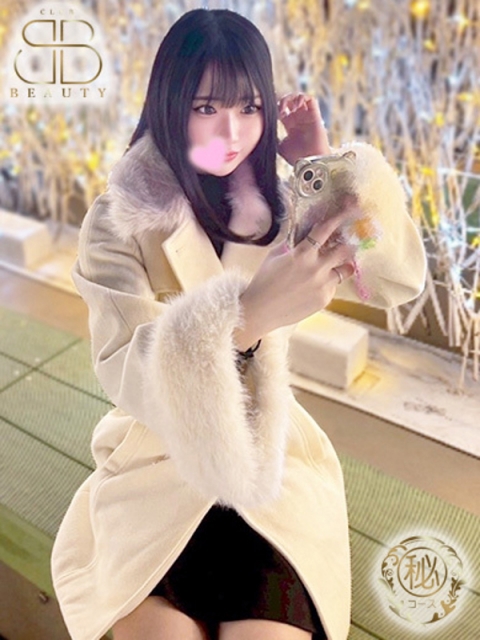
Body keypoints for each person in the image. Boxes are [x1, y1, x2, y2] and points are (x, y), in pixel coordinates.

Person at [50, 8, 426, 640]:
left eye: (250, 107)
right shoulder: (118, 219)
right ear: (169, 104)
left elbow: (398, 280)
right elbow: (122, 370)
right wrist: (244, 320)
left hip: (271, 461)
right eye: (206, 108)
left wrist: (321, 166)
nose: (232, 132)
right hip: (158, 463)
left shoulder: (291, 202)